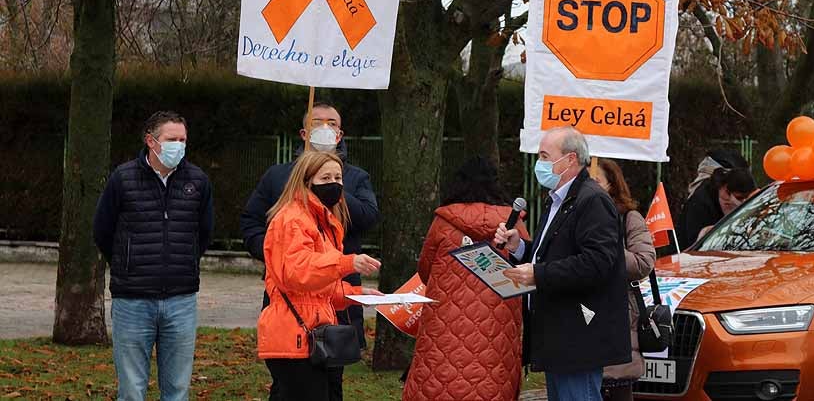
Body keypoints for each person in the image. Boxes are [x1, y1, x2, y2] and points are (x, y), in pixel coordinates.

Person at [240, 102, 378, 400]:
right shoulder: (293, 218)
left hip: (317, 328)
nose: (335, 185)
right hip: (296, 334)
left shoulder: (324, 217)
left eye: (338, 179)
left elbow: (320, 288)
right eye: (326, 179)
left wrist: (356, 294)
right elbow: (300, 272)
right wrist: (347, 263)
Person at [494, 127, 630, 401]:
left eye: (545, 156)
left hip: (579, 333)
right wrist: (519, 247)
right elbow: (554, 254)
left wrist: (539, 274)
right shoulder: (559, 199)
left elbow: (597, 263)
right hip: (560, 331)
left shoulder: (591, 201)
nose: (539, 164)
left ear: (570, 160)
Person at [93, 111, 214, 401]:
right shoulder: (122, 179)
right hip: (132, 301)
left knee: (177, 390)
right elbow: (102, 230)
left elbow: (204, 233)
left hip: (181, 300)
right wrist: (127, 264)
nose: (179, 146)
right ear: (151, 141)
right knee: (132, 390)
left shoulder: (197, 181)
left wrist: (182, 264)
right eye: (172, 139)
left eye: (183, 139)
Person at [403, 156, 529, 401]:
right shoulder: (513, 224)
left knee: (440, 381)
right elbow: (526, 270)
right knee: (492, 382)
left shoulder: (444, 222)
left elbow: (425, 270)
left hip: (444, 323)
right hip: (497, 325)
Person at [591, 158, 655, 401]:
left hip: (618, 320)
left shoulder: (628, 218)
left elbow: (643, 263)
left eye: (596, 181)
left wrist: (607, 246)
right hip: (581, 317)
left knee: (615, 388)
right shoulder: (570, 214)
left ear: (612, 186)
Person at [676, 166, 755, 249]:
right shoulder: (700, 204)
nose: (741, 202)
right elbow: (695, 244)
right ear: (725, 190)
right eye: (739, 198)